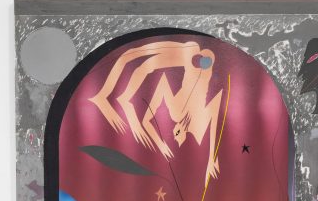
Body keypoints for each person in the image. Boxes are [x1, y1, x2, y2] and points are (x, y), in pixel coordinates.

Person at [89, 41, 224, 184]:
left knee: (136, 58)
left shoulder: (176, 113)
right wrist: (212, 159)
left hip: (192, 57)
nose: (175, 133)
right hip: (194, 55)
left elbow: (147, 119)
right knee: (134, 56)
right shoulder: (192, 121)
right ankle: (112, 97)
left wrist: (161, 144)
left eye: (174, 135)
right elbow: (215, 109)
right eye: (177, 136)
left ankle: (112, 97)